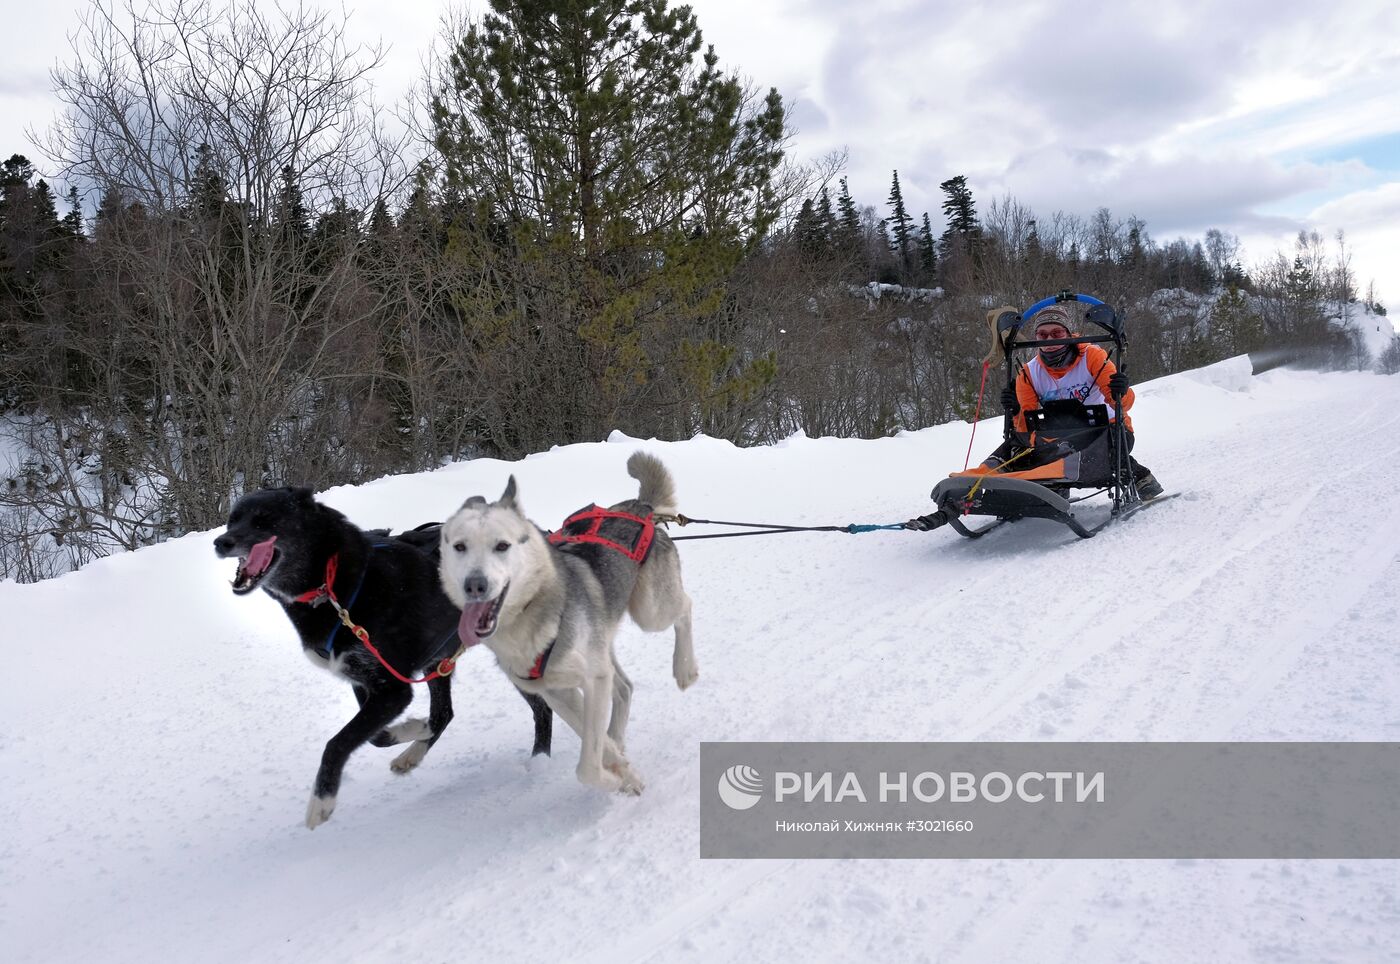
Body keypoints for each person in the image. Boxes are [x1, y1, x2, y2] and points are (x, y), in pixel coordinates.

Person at [981, 303, 1162, 496]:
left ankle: (1139, 476)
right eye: (1042, 335)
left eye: (1057, 333)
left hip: (1108, 432)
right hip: (1059, 438)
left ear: (1068, 333)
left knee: (1100, 451)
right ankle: (1033, 484)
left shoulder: (1091, 356)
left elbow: (1124, 405)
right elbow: (1026, 429)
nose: (1049, 340)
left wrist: (1121, 391)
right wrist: (1016, 410)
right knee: (1025, 450)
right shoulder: (1029, 372)